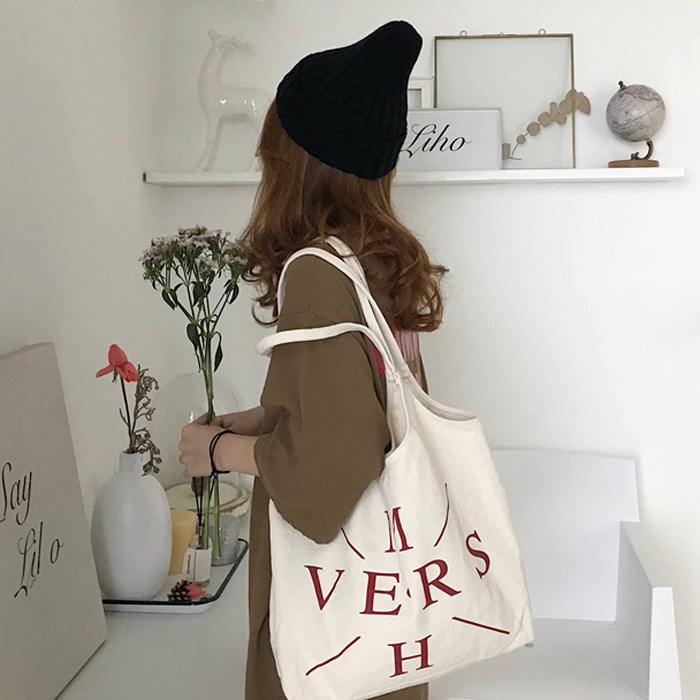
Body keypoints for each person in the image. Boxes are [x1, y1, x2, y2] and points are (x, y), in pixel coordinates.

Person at [178, 20, 448, 700]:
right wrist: (262, 419)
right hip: (383, 619)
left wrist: (217, 452)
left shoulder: (318, 272)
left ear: (298, 161)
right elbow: (371, 414)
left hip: (331, 622)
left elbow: (332, 469)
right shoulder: (378, 263)